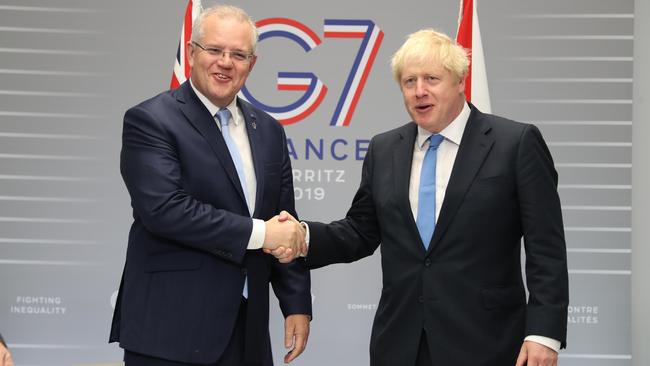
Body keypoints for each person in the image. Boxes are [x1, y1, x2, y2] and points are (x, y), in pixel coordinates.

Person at [270, 28, 569, 366]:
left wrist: (544, 333)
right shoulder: (385, 149)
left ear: (459, 81)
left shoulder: (514, 143)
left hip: (489, 342)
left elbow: (547, 247)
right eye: (409, 81)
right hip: (401, 343)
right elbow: (359, 232)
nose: (419, 91)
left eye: (431, 79)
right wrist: (302, 237)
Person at [109, 5, 311, 366]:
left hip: (247, 331)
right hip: (170, 333)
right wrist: (262, 234)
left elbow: (284, 220)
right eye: (214, 50)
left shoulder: (268, 131)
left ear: (252, 63)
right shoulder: (150, 120)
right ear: (191, 53)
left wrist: (296, 304)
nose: (226, 62)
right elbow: (165, 210)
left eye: (238, 54)